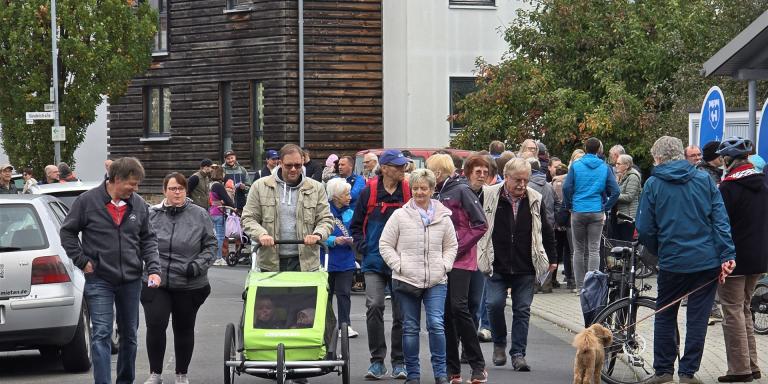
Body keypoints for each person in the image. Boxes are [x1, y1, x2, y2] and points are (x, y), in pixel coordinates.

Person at [635, 136, 736, 384]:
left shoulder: (653, 184)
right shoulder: (704, 179)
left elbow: (645, 227)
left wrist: (660, 249)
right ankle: (688, 373)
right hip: (705, 260)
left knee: (665, 313)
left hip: (672, 261)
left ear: (658, 158)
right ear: (680, 154)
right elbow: (720, 221)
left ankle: (663, 370)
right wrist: (726, 254)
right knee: (698, 318)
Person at [60, 157, 162, 384]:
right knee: (102, 334)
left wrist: (153, 269)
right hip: (99, 279)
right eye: (132, 184)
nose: (136, 189)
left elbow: (149, 239)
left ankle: (125, 381)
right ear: (116, 179)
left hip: (131, 280)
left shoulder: (138, 205)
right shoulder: (87, 202)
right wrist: (82, 261)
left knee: (130, 336)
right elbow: (67, 232)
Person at [476, 158, 558, 372]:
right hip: (496, 263)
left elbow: (546, 230)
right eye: (518, 180)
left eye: (525, 180)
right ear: (506, 176)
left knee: (522, 310)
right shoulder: (489, 194)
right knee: (493, 304)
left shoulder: (535, 198)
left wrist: (553, 258)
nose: (522, 185)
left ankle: (518, 354)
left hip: (525, 264)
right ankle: (500, 344)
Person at [379, 168, 458, 384]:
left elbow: (451, 246)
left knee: (436, 324)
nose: (419, 192)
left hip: (436, 280)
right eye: (415, 188)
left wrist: (445, 265)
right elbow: (385, 244)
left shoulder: (443, 217)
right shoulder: (400, 215)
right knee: (410, 327)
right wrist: (399, 265)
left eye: (424, 188)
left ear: (432, 190)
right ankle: (413, 374)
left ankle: (441, 373)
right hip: (406, 279)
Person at [142, 173, 216, 384]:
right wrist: (146, 266)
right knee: (156, 324)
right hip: (157, 281)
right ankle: (155, 373)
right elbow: (141, 243)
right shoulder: (151, 214)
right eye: (173, 188)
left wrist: (197, 266)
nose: (177, 192)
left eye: (181, 189)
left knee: (184, 328)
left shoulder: (199, 215)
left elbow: (211, 246)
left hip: (189, 282)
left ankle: (181, 374)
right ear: (164, 190)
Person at [349, 149, 412, 380]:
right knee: (374, 305)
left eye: (403, 166)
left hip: (402, 263)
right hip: (374, 261)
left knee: (401, 313)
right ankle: (377, 361)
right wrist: (363, 248)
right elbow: (355, 226)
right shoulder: (368, 193)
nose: (402, 169)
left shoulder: (408, 192)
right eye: (397, 166)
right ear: (384, 168)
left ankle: (399, 361)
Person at [426, 154, 488, 384]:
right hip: (440, 260)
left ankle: (477, 364)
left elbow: (480, 224)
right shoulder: (435, 193)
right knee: (445, 313)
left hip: (461, 259)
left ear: (439, 172)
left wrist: (458, 247)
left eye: (431, 171)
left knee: (458, 306)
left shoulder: (461, 190)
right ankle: (453, 369)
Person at [715, 137, 767, 383]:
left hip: (734, 259)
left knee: (732, 312)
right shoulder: (763, 184)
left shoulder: (728, 188)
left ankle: (739, 370)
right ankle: (752, 366)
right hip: (758, 258)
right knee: (744, 309)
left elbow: (720, 224)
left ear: (729, 160)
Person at [241, 144, 333, 272]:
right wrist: (261, 234)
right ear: (280, 163)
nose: (294, 169)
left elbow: (326, 219)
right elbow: (248, 218)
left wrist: (318, 234)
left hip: (306, 263)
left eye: (298, 165)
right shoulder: (260, 186)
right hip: (270, 262)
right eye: (289, 165)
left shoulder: (316, 188)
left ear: (303, 163)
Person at [563, 137, 620, 293]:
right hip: (596, 211)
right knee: (594, 249)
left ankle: (580, 286)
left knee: (578, 250)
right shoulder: (604, 167)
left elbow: (566, 188)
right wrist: (605, 206)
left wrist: (569, 205)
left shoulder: (576, 166)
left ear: (585, 148)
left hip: (578, 210)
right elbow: (615, 191)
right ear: (599, 150)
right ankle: (592, 286)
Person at [323, 178, 360, 338]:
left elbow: (356, 231)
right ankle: (326, 325)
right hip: (327, 258)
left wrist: (355, 239)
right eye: (346, 194)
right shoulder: (324, 212)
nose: (350, 197)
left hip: (346, 258)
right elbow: (316, 234)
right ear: (336, 196)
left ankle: (345, 325)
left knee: (344, 293)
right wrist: (333, 240)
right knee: (327, 294)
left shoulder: (351, 211)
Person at [462, 153, 494, 342]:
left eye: (485, 172)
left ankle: (469, 346)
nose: (481, 175)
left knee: (475, 302)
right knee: (459, 303)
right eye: (478, 172)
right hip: (461, 253)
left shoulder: (490, 194)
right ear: (468, 173)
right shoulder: (461, 191)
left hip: (481, 253)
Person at [208, 165, 235, 265]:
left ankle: (214, 257)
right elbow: (227, 199)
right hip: (219, 212)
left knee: (214, 236)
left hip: (211, 211)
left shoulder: (210, 184)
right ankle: (218, 258)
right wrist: (233, 207)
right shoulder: (218, 185)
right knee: (219, 236)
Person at [613, 154, 641, 241]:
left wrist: (613, 196)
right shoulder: (622, 176)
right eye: (616, 163)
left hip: (628, 217)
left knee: (627, 244)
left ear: (627, 165)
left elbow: (629, 197)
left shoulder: (633, 177)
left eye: (618, 164)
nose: (616, 166)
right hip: (621, 216)